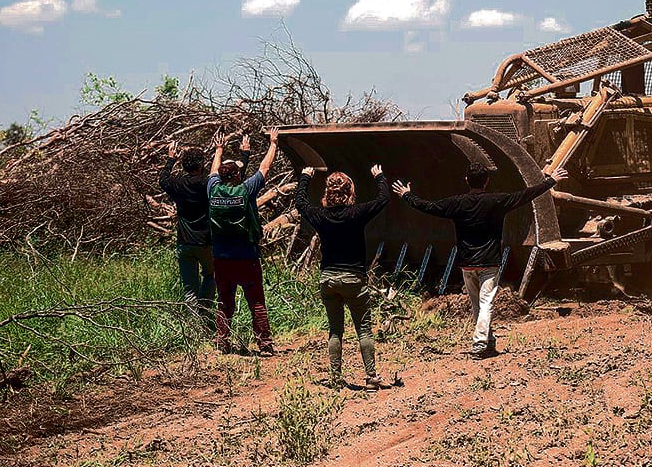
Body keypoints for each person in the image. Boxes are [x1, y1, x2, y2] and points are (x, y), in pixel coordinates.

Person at [392, 163, 568, 359]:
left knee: (478, 305)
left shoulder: (457, 203)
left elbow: (429, 206)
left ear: (467, 180)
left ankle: (488, 340)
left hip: (466, 263)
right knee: (486, 304)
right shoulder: (497, 201)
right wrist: (551, 181)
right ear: (487, 181)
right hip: (490, 263)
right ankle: (480, 343)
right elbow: (526, 195)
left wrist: (407, 196)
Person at [295, 164, 392, 391]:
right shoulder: (357, 214)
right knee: (364, 330)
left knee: (335, 330)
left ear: (328, 193)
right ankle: (370, 378)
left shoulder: (320, 215)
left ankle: (336, 378)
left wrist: (305, 178)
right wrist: (379, 177)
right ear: (350, 192)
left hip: (328, 279)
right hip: (353, 279)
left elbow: (301, 203)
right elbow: (383, 199)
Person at [159, 139, 249, 328]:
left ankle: (193, 327)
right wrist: (220, 150)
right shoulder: (207, 185)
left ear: (183, 165)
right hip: (206, 241)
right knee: (211, 275)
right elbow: (219, 175)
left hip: (184, 243)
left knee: (189, 288)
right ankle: (204, 313)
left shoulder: (177, 184)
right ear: (201, 165)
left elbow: (163, 179)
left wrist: (170, 159)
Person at [207, 128, 279, 356]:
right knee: (256, 301)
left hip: (221, 257)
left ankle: (222, 342)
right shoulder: (246, 189)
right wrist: (273, 144)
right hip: (247, 257)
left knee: (224, 302)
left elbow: (211, 172)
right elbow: (264, 168)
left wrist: (218, 150)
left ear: (221, 176)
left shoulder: (212, 190)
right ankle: (265, 344)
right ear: (237, 176)